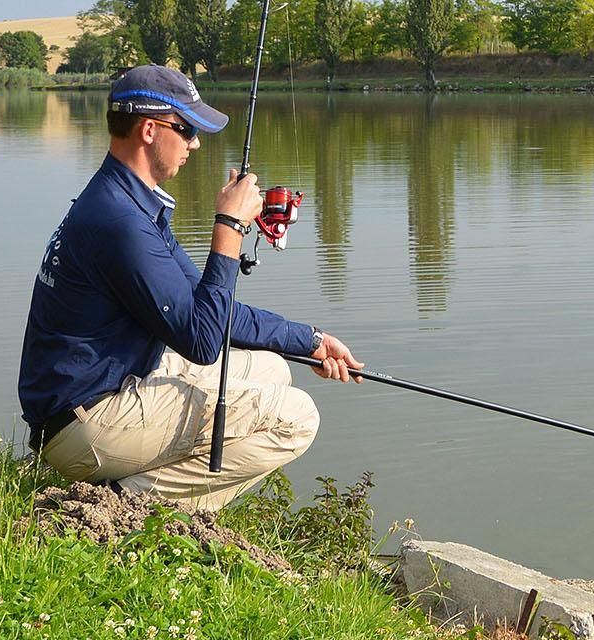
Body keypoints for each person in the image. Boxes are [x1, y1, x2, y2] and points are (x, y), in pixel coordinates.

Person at [18, 64, 362, 512]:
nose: (195, 144)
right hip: (83, 425)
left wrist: (311, 340)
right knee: (297, 418)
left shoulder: (125, 201)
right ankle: (123, 507)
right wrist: (230, 227)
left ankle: (142, 497)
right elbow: (201, 341)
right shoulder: (121, 222)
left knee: (274, 369)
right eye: (185, 129)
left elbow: (209, 313)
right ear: (148, 130)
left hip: (104, 392)